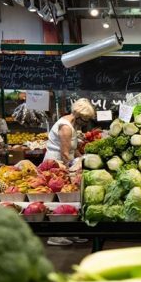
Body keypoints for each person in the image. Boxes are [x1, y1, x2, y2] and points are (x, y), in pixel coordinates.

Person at [45, 98, 95, 246]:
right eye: (85, 120)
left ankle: (70, 232)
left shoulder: (71, 124)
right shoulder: (66, 127)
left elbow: (73, 151)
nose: (86, 123)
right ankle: (55, 235)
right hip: (56, 167)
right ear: (78, 116)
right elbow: (65, 154)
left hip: (63, 165)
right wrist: (75, 167)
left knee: (71, 201)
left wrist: (84, 158)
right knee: (60, 201)